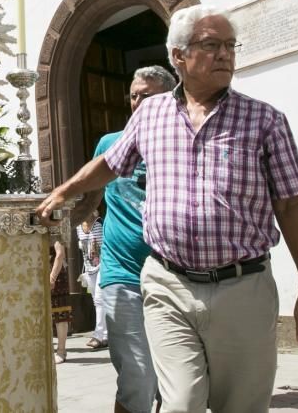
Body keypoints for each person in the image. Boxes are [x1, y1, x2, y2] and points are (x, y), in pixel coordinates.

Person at [38, 4, 298, 413]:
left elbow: (291, 203)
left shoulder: (264, 120)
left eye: (230, 45)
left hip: (243, 287)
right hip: (167, 282)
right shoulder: (150, 116)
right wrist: (63, 192)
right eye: (212, 45)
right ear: (178, 56)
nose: (225, 54)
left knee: (241, 406)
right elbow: (111, 162)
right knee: (181, 404)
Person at [95, 65, 176, 413]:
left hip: (174, 278)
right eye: (134, 95)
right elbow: (89, 194)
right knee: (138, 377)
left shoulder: (181, 144)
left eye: (148, 94)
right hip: (121, 277)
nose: (138, 101)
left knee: (174, 379)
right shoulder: (110, 144)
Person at [76, 214, 107, 350]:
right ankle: (105, 335)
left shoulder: (98, 224)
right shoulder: (78, 226)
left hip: (102, 266)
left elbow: (105, 248)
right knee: (96, 300)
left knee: (100, 299)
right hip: (89, 267)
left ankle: (98, 335)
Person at [49, 238, 72, 363]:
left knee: (60, 314)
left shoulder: (56, 230)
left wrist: (52, 277)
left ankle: (61, 350)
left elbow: (60, 254)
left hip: (56, 276)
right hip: (41, 274)